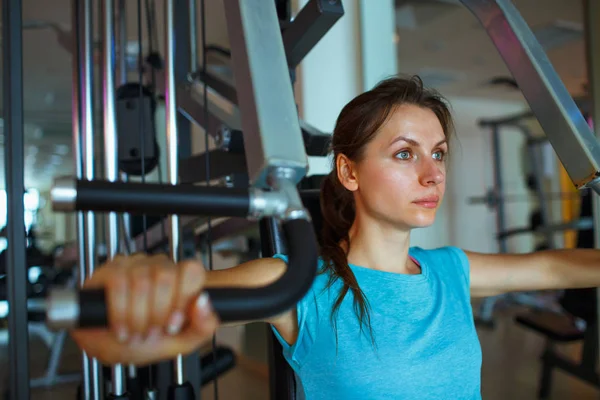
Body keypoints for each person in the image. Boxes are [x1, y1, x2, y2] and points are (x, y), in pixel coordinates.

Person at [73, 76, 600, 399]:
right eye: (404, 153)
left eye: (437, 153)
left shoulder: (451, 271)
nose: (433, 174)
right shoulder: (301, 283)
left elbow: (557, 269)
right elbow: (141, 304)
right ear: (349, 172)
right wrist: (127, 295)